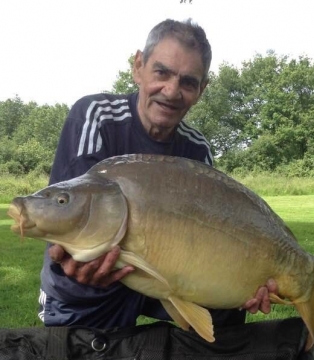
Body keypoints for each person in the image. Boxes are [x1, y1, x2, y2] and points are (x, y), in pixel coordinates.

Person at [39, 18, 277, 330]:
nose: (171, 91)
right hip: (89, 283)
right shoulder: (95, 116)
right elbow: (74, 220)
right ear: (138, 66)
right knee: (81, 286)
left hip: (160, 274)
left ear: (201, 90)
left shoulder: (198, 149)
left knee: (227, 315)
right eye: (161, 72)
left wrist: (242, 283)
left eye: (188, 82)